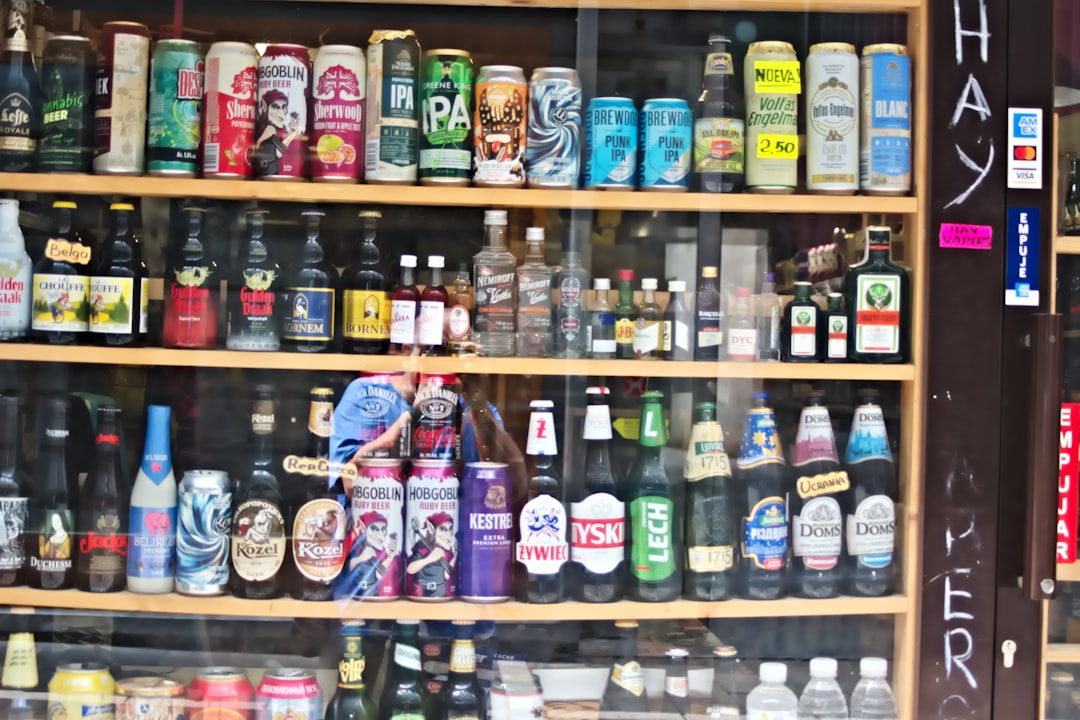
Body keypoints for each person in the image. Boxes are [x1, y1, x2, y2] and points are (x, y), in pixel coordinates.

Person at [338, 510, 400, 598]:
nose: (381, 534)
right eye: (374, 529)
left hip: (374, 593)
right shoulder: (356, 546)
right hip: (356, 592)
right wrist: (360, 558)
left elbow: (379, 575)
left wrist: (390, 558)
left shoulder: (382, 551)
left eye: (383, 529)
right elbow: (344, 568)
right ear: (364, 530)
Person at [405, 511, 456, 598]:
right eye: (442, 529)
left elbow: (447, 575)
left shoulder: (447, 549)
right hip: (421, 591)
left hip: (441, 591)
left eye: (450, 529)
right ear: (431, 528)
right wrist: (429, 559)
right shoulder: (422, 545)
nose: (448, 535)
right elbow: (410, 569)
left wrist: (456, 554)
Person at [253, 89, 301, 176]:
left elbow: (281, 149)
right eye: (275, 107)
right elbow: (278, 152)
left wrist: (292, 134)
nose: (281, 114)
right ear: (265, 107)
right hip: (267, 173)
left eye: (283, 107)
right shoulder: (264, 128)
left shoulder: (281, 128)